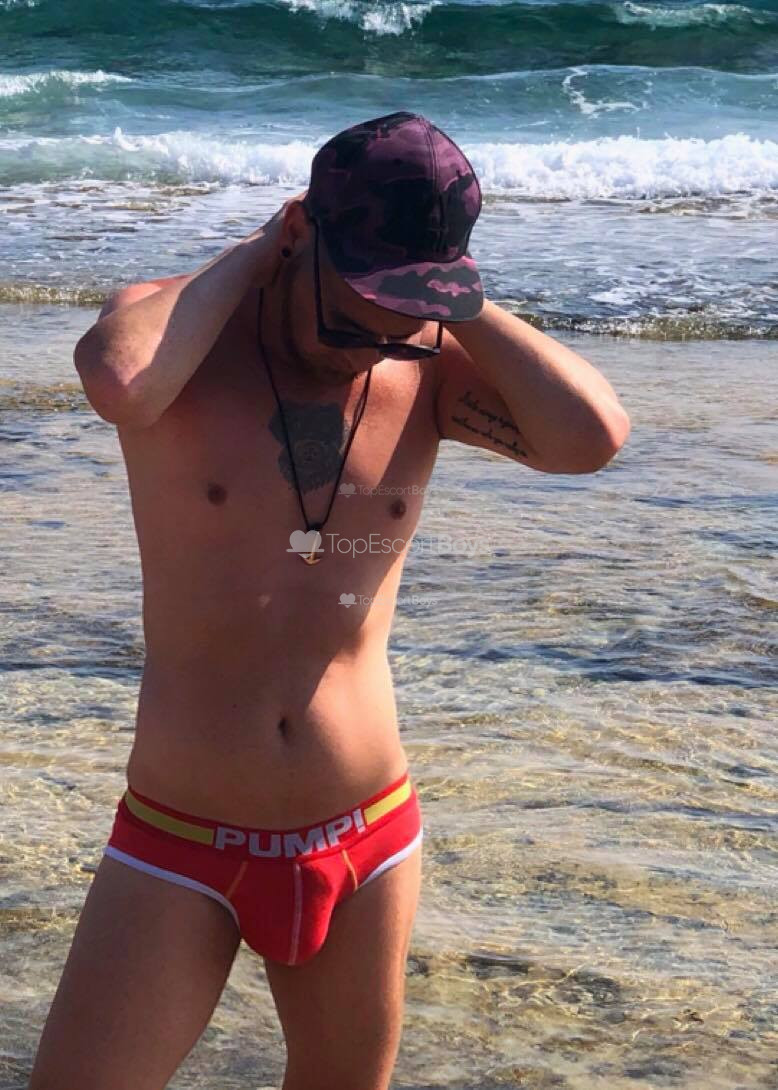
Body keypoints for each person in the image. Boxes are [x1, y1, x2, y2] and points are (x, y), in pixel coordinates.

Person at [29, 111, 630, 1090]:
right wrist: (261, 248)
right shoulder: (183, 341)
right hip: (182, 840)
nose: (369, 351)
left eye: (399, 329)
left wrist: (458, 306)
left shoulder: (426, 368)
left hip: (365, 832)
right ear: (300, 233)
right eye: (353, 320)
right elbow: (119, 379)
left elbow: (592, 437)